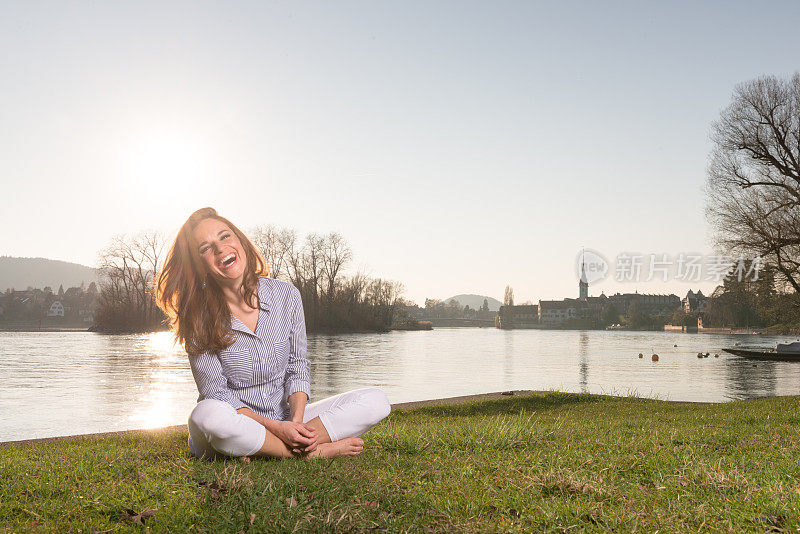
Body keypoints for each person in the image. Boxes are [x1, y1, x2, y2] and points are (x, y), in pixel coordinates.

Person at [155, 207, 391, 459]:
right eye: (205, 248)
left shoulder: (286, 295)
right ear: (199, 265)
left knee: (376, 401)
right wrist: (278, 428)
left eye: (225, 236)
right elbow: (216, 394)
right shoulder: (197, 317)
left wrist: (296, 422)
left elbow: (298, 366)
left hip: (285, 418)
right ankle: (310, 454)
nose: (220, 249)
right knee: (206, 415)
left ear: (240, 241)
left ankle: (269, 448)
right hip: (234, 421)